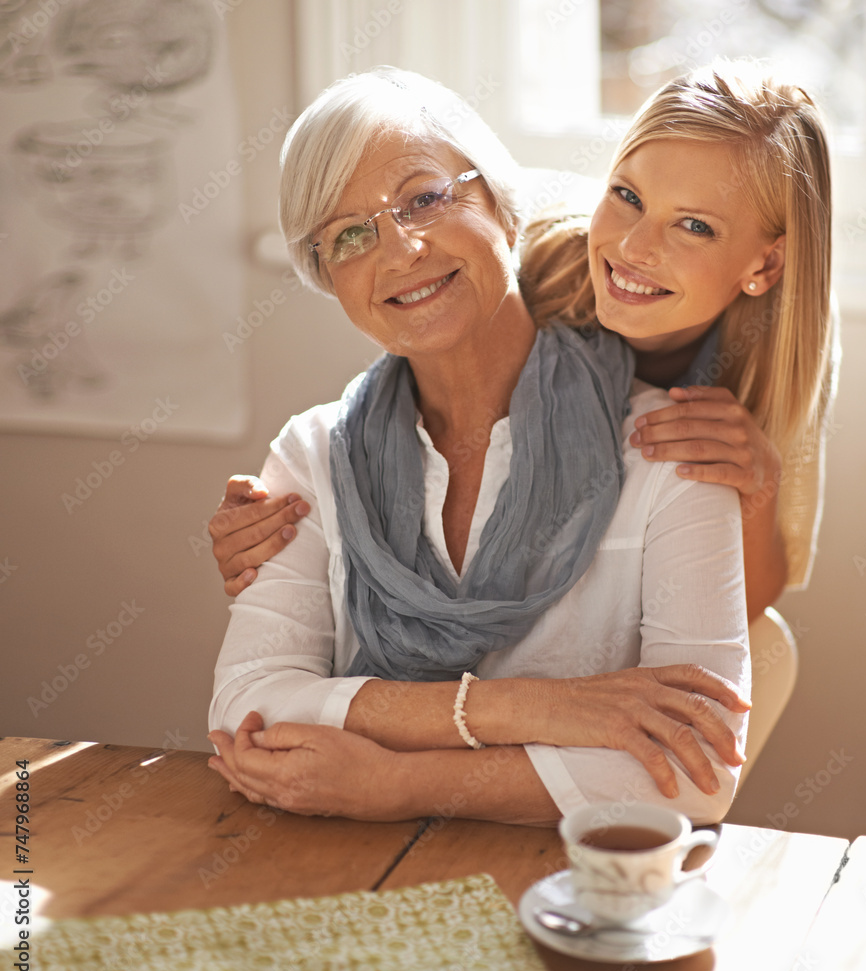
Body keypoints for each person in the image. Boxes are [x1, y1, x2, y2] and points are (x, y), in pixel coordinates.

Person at [207, 64, 751, 828]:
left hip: (567, 897)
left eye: (425, 198)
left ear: (499, 200)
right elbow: (248, 708)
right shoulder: (310, 455)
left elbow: (700, 773)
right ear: (329, 276)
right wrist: (526, 709)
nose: (401, 250)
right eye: (351, 234)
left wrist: (396, 785)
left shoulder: (668, 448)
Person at [212, 61, 838, 628]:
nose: (632, 248)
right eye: (627, 196)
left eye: (694, 225)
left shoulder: (782, 361)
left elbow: (746, 608)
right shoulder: (533, 267)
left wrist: (758, 491)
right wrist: (298, 534)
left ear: (767, 263)